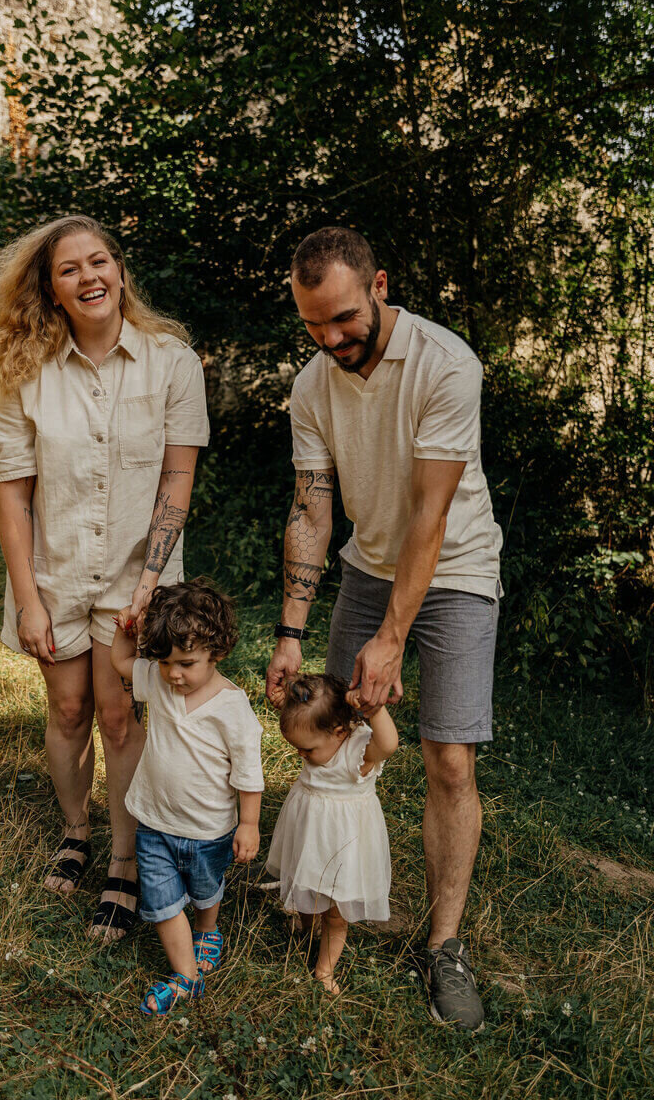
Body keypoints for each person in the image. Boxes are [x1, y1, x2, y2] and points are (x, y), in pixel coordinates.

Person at [266, 227, 503, 1032]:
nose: (331, 339)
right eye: (312, 326)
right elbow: (312, 507)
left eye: (341, 318)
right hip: (368, 568)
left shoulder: (446, 364)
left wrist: (394, 636)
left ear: (379, 286)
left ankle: (444, 945)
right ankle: (325, 892)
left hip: (458, 567)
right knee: (332, 736)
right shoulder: (310, 388)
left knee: (447, 757)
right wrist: (291, 631)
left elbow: (432, 515)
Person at [0, 214, 209, 942]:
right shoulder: (24, 372)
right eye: (70, 269)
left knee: (121, 714)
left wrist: (150, 580)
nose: (89, 277)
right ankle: (75, 830)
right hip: (55, 572)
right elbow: (13, 495)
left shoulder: (171, 361)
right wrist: (29, 600)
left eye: (100, 262)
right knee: (67, 711)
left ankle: (124, 862)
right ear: (51, 289)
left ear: (120, 271)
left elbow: (178, 476)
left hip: (139, 575)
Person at [110, 579, 264, 1015]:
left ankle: (208, 930)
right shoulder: (158, 683)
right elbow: (122, 661)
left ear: (217, 651)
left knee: (205, 890)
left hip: (209, 830)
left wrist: (248, 823)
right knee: (160, 901)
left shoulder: (232, 708)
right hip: (154, 823)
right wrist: (126, 629)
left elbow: (249, 776)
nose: (174, 673)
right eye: (164, 662)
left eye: (186, 663)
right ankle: (186, 977)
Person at [266, 673, 398, 994]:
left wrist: (376, 709)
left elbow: (389, 744)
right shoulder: (316, 734)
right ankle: (308, 932)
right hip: (310, 837)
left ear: (339, 732)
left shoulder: (358, 753)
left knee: (337, 914)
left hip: (344, 845)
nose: (301, 756)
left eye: (306, 750)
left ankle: (324, 971)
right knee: (308, 894)